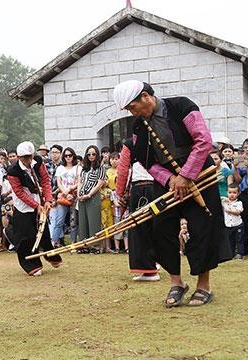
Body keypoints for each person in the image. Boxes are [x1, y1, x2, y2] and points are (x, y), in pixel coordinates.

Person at [113, 80, 227, 307]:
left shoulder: (182, 106)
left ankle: (203, 286)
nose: (132, 113)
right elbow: (147, 161)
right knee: (160, 229)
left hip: (199, 175)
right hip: (168, 181)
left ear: (146, 96)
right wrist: (172, 179)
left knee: (202, 228)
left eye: (133, 107)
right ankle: (177, 282)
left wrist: (186, 175)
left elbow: (203, 140)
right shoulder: (138, 127)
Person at [6, 141, 62, 276]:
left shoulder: (37, 161)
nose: (29, 160)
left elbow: (45, 180)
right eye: (25, 157)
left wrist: (48, 200)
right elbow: (19, 192)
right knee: (27, 236)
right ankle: (32, 264)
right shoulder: (13, 172)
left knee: (44, 232)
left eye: (30, 156)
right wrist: (35, 206)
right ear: (19, 157)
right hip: (23, 206)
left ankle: (50, 255)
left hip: (39, 199)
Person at [116, 139, 160, 281]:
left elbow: (122, 170)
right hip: (159, 187)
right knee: (155, 227)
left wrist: (120, 193)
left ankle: (149, 270)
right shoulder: (159, 139)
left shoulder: (130, 143)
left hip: (140, 188)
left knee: (140, 229)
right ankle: (155, 263)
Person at [76, 145, 107, 251]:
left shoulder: (101, 168)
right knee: (83, 221)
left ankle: (95, 246)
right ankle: (84, 245)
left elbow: (99, 184)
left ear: (97, 155)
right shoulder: (84, 168)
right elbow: (79, 181)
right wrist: (78, 193)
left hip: (93, 197)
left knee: (93, 221)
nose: (91, 156)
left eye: (93, 154)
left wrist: (89, 194)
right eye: (89, 154)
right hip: (81, 197)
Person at [55, 147, 80, 244]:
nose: (68, 157)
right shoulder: (60, 168)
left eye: (70, 155)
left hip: (74, 197)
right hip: (63, 196)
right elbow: (59, 182)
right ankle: (55, 242)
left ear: (73, 156)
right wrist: (65, 192)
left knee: (73, 222)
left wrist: (70, 190)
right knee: (59, 220)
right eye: (66, 155)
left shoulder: (78, 168)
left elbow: (79, 182)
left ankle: (73, 242)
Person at [46, 145, 64, 247]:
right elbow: (45, 182)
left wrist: (55, 195)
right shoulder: (46, 166)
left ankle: (57, 240)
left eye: (56, 152)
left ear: (60, 154)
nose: (54, 155)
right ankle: (53, 241)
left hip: (60, 195)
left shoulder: (63, 166)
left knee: (59, 219)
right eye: (52, 152)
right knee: (51, 219)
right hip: (49, 196)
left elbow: (61, 183)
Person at [222, 184, 244, 260]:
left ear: (238, 193)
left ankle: (239, 253)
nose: (232, 195)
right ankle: (230, 254)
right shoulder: (224, 202)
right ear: (227, 192)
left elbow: (238, 212)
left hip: (238, 224)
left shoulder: (239, 203)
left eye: (234, 193)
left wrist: (229, 210)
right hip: (228, 225)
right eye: (230, 192)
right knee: (229, 240)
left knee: (239, 239)